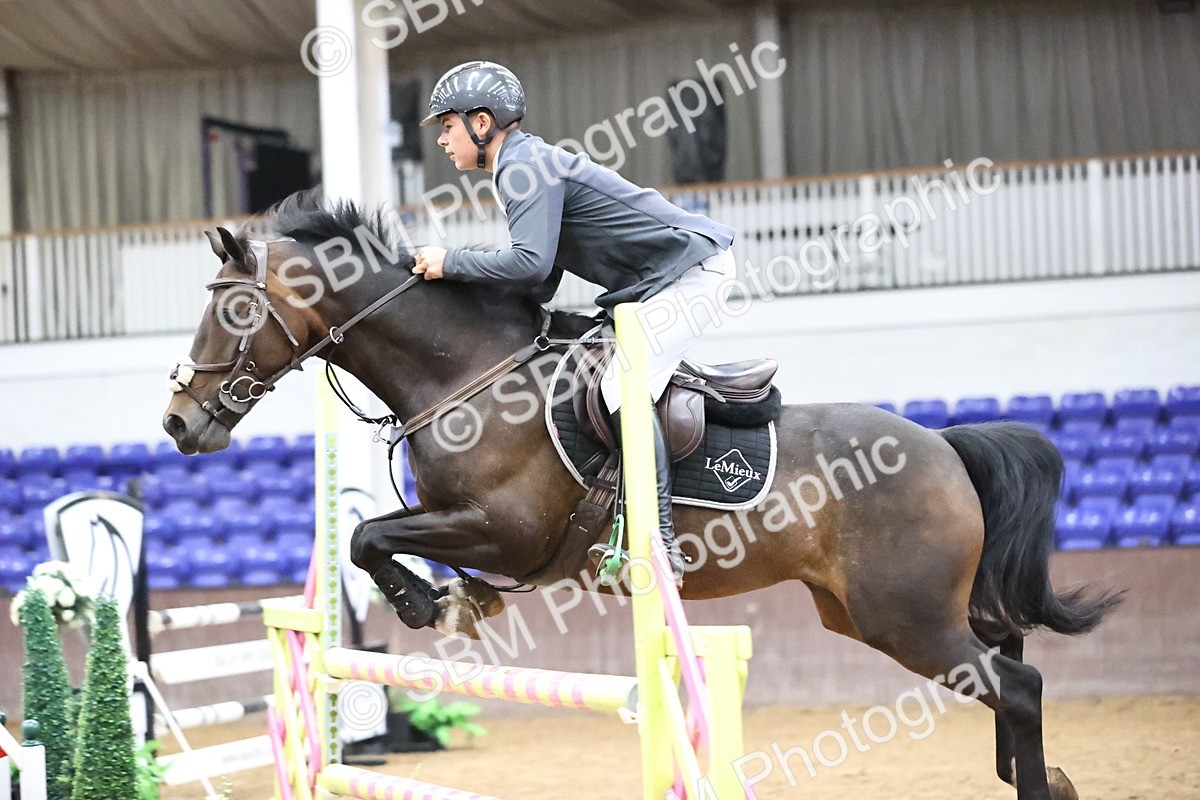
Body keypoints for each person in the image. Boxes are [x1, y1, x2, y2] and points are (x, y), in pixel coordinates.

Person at [412, 60, 736, 587]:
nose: (443, 141)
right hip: (654, 285)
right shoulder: (521, 163)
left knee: (618, 385)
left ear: (481, 122)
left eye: (447, 127)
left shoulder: (523, 167)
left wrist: (452, 263)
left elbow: (531, 264)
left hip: (692, 274)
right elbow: (542, 281)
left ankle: (660, 540)